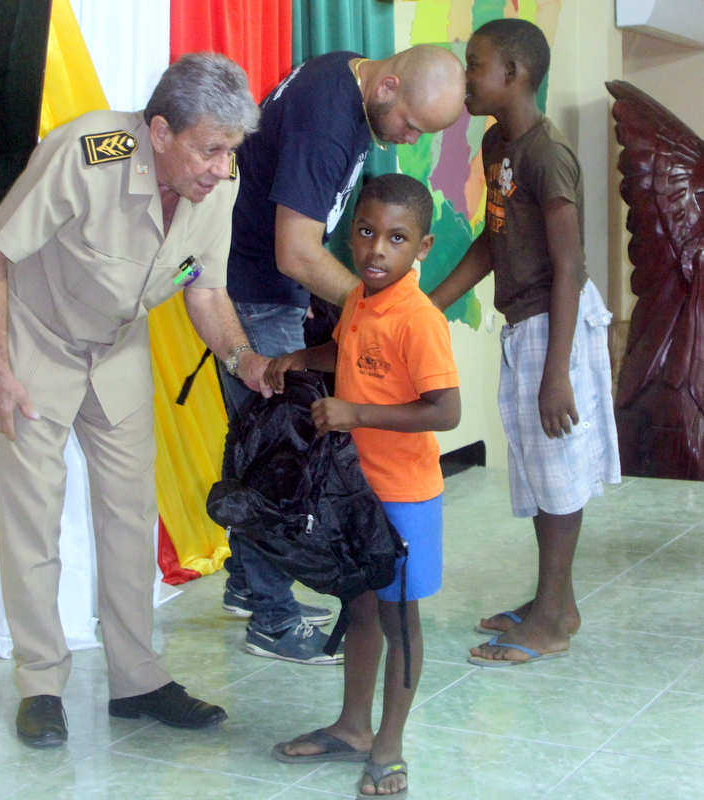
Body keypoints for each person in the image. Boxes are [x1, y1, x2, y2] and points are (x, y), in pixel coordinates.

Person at [0, 53, 273, 748]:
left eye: (230, 152)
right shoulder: (87, 152)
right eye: (209, 149)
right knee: (32, 523)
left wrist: (242, 357)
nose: (220, 168)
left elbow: (205, 289)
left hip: (116, 349)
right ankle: (41, 684)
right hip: (35, 344)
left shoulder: (217, 188)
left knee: (130, 517)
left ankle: (138, 680)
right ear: (158, 132)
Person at [219, 45, 467, 665]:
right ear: (387, 85)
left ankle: (251, 585)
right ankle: (272, 619)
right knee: (282, 452)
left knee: (262, 438)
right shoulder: (328, 123)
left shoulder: (345, 71)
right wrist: (375, 308)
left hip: (267, 288)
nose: (407, 141)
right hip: (255, 289)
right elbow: (296, 253)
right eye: (410, 124)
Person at [430, 18, 621, 666]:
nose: (465, 78)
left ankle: (550, 620)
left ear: (514, 75)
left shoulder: (546, 152)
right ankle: (553, 602)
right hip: (525, 324)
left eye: (475, 65)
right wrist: (435, 302)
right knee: (541, 472)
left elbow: (569, 265)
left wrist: (557, 372)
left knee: (559, 473)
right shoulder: (495, 144)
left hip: (554, 323)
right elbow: (494, 234)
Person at [264, 174, 461, 800]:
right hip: (355, 490)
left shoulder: (419, 319)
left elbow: (445, 411)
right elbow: (350, 355)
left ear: (422, 246)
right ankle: (352, 727)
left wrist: (355, 414)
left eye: (396, 239)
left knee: (400, 619)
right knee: (359, 607)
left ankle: (390, 746)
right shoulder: (361, 302)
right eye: (368, 232)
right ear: (351, 233)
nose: (378, 250)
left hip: (404, 493)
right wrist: (304, 359)